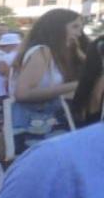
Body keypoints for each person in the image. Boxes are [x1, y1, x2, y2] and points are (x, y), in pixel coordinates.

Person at [8, 9, 84, 159]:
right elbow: (22, 93)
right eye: (75, 27)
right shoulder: (42, 51)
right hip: (34, 125)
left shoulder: (47, 52)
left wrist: (78, 52)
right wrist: (74, 85)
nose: (79, 33)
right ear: (57, 27)